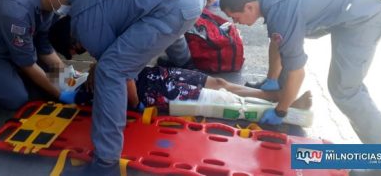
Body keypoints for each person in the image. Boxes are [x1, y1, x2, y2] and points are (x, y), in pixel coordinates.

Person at [219, 0, 381, 174]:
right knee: (293, 73)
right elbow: (277, 41)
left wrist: (280, 110)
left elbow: (297, 71)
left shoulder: (281, 12)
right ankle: (380, 156)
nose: (235, 22)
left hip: (366, 10)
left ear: (249, 6)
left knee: (345, 90)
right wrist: (272, 80)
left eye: (235, 17)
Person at [48, 0, 206, 175]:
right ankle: (187, 65)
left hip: (174, 4)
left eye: (77, 52)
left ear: (72, 42)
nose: (83, 51)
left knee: (108, 72)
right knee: (116, 61)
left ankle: (105, 162)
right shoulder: (88, 4)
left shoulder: (84, 25)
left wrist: (134, 105)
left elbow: (117, 72)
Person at [126, 65, 312, 112]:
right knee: (223, 99)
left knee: (220, 83)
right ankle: (283, 103)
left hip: (157, 74)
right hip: (153, 93)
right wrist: (136, 105)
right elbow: (126, 81)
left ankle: (279, 98)